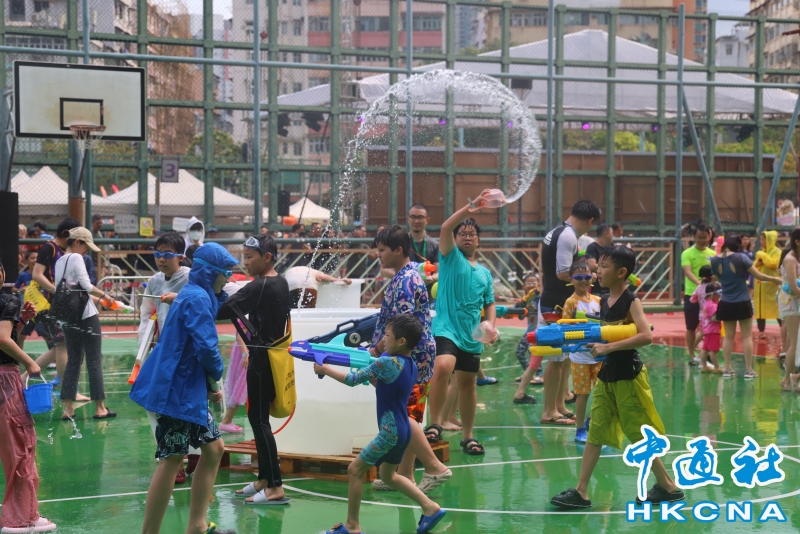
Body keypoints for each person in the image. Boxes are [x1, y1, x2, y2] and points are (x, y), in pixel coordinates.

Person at [550, 245, 682, 509]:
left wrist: (608, 348)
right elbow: (605, 333)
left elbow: (646, 336)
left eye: (604, 267)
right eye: (598, 266)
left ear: (621, 272)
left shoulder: (631, 301)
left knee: (638, 434)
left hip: (627, 377)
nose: (597, 272)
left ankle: (668, 486)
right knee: (595, 430)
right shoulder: (604, 300)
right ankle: (581, 491)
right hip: (607, 376)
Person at [130, 243, 238, 534]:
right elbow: (207, 348)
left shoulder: (196, 293)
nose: (229, 278)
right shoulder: (197, 298)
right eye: (226, 272)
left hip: (186, 389)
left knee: (214, 449)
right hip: (175, 391)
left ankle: (198, 525)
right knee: (172, 460)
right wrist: (214, 379)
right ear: (211, 272)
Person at [315, 315, 447, 534]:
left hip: (390, 432)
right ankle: (430, 507)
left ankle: (352, 526)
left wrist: (325, 370)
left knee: (354, 470)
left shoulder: (386, 363)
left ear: (401, 341)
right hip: (403, 431)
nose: (383, 340)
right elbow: (388, 386)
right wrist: (372, 375)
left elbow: (352, 380)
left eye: (387, 335)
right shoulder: (410, 365)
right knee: (388, 476)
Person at [366, 225, 451, 495]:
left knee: (402, 414)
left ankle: (434, 467)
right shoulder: (408, 275)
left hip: (408, 357)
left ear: (398, 250)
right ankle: (405, 473)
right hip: (417, 356)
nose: (379, 255)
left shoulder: (405, 281)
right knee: (410, 413)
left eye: (382, 250)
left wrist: (378, 349)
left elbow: (400, 328)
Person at [216, 235, 293, 505]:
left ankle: (275, 486)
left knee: (259, 421)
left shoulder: (260, 286)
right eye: (244, 257)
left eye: (249, 257)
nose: (245, 262)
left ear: (267, 257)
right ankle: (263, 478)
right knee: (258, 418)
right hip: (272, 356)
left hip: (262, 359)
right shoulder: (280, 282)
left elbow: (222, 310)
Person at [424, 190, 498, 455]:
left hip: (472, 335)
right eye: (462, 233)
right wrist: (472, 207)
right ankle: (434, 423)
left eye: (472, 234)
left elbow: (490, 303)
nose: (467, 236)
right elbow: (445, 227)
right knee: (443, 365)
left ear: (478, 240)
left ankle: (468, 436)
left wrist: (491, 325)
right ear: (454, 240)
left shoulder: (485, 274)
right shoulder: (450, 257)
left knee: (467, 384)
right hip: (446, 328)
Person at [0, 260, 57, 534]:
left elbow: (9, 340)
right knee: (20, 447)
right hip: (5, 382)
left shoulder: (10, 306)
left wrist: (20, 322)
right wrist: (31, 363)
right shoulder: (8, 300)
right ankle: (21, 518)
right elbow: (3, 341)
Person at [537, 200, 600, 426]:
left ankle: (560, 405)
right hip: (554, 305)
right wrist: (589, 276)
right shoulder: (567, 236)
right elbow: (563, 272)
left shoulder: (558, 231)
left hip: (558, 302)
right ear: (590, 221)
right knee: (555, 359)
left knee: (563, 358)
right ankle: (548, 411)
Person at [137, 231, 194, 484]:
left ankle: (193, 452)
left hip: (189, 351)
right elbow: (146, 313)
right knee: (157, 404)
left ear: (180, 256)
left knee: (186, 404)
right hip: (163, 351)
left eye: (167, 254)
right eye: (158, 253)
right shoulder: (154, 281)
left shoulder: (191, 278)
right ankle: (175, 457)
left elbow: (205, 302)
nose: (161, 259)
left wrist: (179, 298)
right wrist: (144, 344)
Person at [55, 227, 115, 421]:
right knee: (94, 360)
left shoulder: (59, 261)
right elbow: (87, 286)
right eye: (86, 245)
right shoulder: (77, 258)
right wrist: (106, 296)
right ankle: (100, 408)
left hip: (67, 317)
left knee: (73, 360)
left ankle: (68, 408)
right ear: (77, 242)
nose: (87, 250)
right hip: (86, 315)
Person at [25, 218, 86, 398]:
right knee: (63, 345)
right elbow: (37, 275)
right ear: (67, 234)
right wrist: (57, 291)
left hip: (60, 304)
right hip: (50, 304)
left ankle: (21, 380)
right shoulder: (49, 248)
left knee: (57, 348)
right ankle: (69, 391)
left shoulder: (66, 252)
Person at [710, 234, 782, 379]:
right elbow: (759, 276)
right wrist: (774, 279)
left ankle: (727, 368)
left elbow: (719, 280)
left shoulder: (714, 260)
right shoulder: (741, 257)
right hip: (743, 301)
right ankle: (749, 369)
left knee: (728, 336)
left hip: (726, 302)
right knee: (747, 336)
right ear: (737, 246)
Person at [560, 261, 602, 443]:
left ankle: (592, 420)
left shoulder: (598, 301)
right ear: (571, 280)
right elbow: (564, 328)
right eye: (579, 277)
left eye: (587, 276)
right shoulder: (571, 302)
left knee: (602, 392)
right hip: (580, 357)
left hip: (599, 354)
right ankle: (580, 429)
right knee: (582, 393)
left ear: (592, 277)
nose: (583, 280)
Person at [681, 224, 714, 365]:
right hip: (692, 295)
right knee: (691, 327)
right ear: (694, 237)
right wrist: (700, 284)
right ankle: (691, 354)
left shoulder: (713, 254)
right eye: (699, 237)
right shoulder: (687, 253)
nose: (702, 240)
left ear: (709, 237)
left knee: (710, 326)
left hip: (710, 297)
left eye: (704, 237)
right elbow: (687, 271)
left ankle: (704, 354)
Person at [512, 273, 543, 393]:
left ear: (538, 285)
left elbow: (544, 313)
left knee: (534, 352)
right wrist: (524, 307)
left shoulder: (540, 298)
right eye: (528, 283)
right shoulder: (525, 299)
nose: (531, 285)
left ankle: (540, 375)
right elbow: (519, 315)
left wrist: (536, 309)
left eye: (534, 283)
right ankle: (528, 374)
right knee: (519, 352)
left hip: (538, 331)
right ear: (523, 286)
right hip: (529, 332)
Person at [779, 228, 800, 391]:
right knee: (794, 342)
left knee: (796, 341)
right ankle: (788, 379)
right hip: (791, 302)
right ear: (797, 242)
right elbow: (793, 286)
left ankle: (788, 377)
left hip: (795, 301)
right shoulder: (790, 259)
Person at [219, 330, 248, 434]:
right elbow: (240, 336)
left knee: (240, 387)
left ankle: (227, 420)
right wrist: (245, 355)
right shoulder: (247, 319)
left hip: (243, 351)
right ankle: (227, 421)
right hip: (245, 352)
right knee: (240, 387)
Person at [283, 265, 351, 308]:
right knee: (309, 313)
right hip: (308, 281)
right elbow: (321, 277)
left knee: (293, 312)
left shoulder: (288, 271)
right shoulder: (313, 271)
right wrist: (339, 280)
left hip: (291, 282)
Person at [754, 230, 781, 335]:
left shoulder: (777, 251)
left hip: (771, 285)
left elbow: (773, 264)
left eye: (763, 240)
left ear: (769, 240)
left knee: (775, 307)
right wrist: (758, 262)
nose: (761, 242)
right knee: (760, 308)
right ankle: (761, 331)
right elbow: (755, 266)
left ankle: (785, 329)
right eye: (760, 240)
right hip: (760, 285)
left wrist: (762, 255)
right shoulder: (762, 251)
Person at [689, 265, 714, 369]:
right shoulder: (713, 287)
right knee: (708, 335)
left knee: (702, 332)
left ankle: (694, 351)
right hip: (711, 314)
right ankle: (701, 357)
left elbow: (692, 299)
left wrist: (700, 300)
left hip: (702, 314)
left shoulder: (699, 287)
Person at [407, 204, 440, 281]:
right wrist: (405, 278)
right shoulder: (400, 243)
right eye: (413, 217)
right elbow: (384, 270)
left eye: (420, 217)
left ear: (427, 220)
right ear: (408, 219)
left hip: (427, 287)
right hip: (405, 287)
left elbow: (439, 273)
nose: (416, 221)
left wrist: (430, 278)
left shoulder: (435, 245)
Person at [700, 282, 723, 374]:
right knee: (713, 351)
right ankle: (716, 367)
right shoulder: (713, 305)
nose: (719, 295)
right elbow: (714, 318)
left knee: (705, 349)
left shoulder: (706, 304)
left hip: (707, 330)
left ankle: (704, 366)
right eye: (718, 294)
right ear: (711, 295)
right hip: (713, 330)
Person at [583, 223, 613, 295]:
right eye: (612, 233)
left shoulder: (610, 248)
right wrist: (611, 270)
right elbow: (592, 266)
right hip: (596, 288)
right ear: (605, 234)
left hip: (609, 288)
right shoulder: (592, 247)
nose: (613, 236)